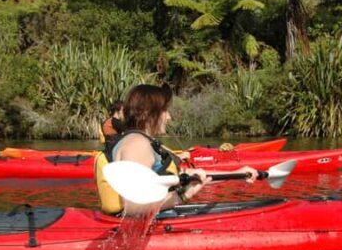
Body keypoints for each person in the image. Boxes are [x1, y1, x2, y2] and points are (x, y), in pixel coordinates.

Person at [94, 84, 258, 215]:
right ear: (146, 114)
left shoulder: (140, 141)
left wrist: (237, 173)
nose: (168, 117)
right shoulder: (138, 145)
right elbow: (134, 209)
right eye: (164, 110)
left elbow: (188, 175)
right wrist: (183, 195)